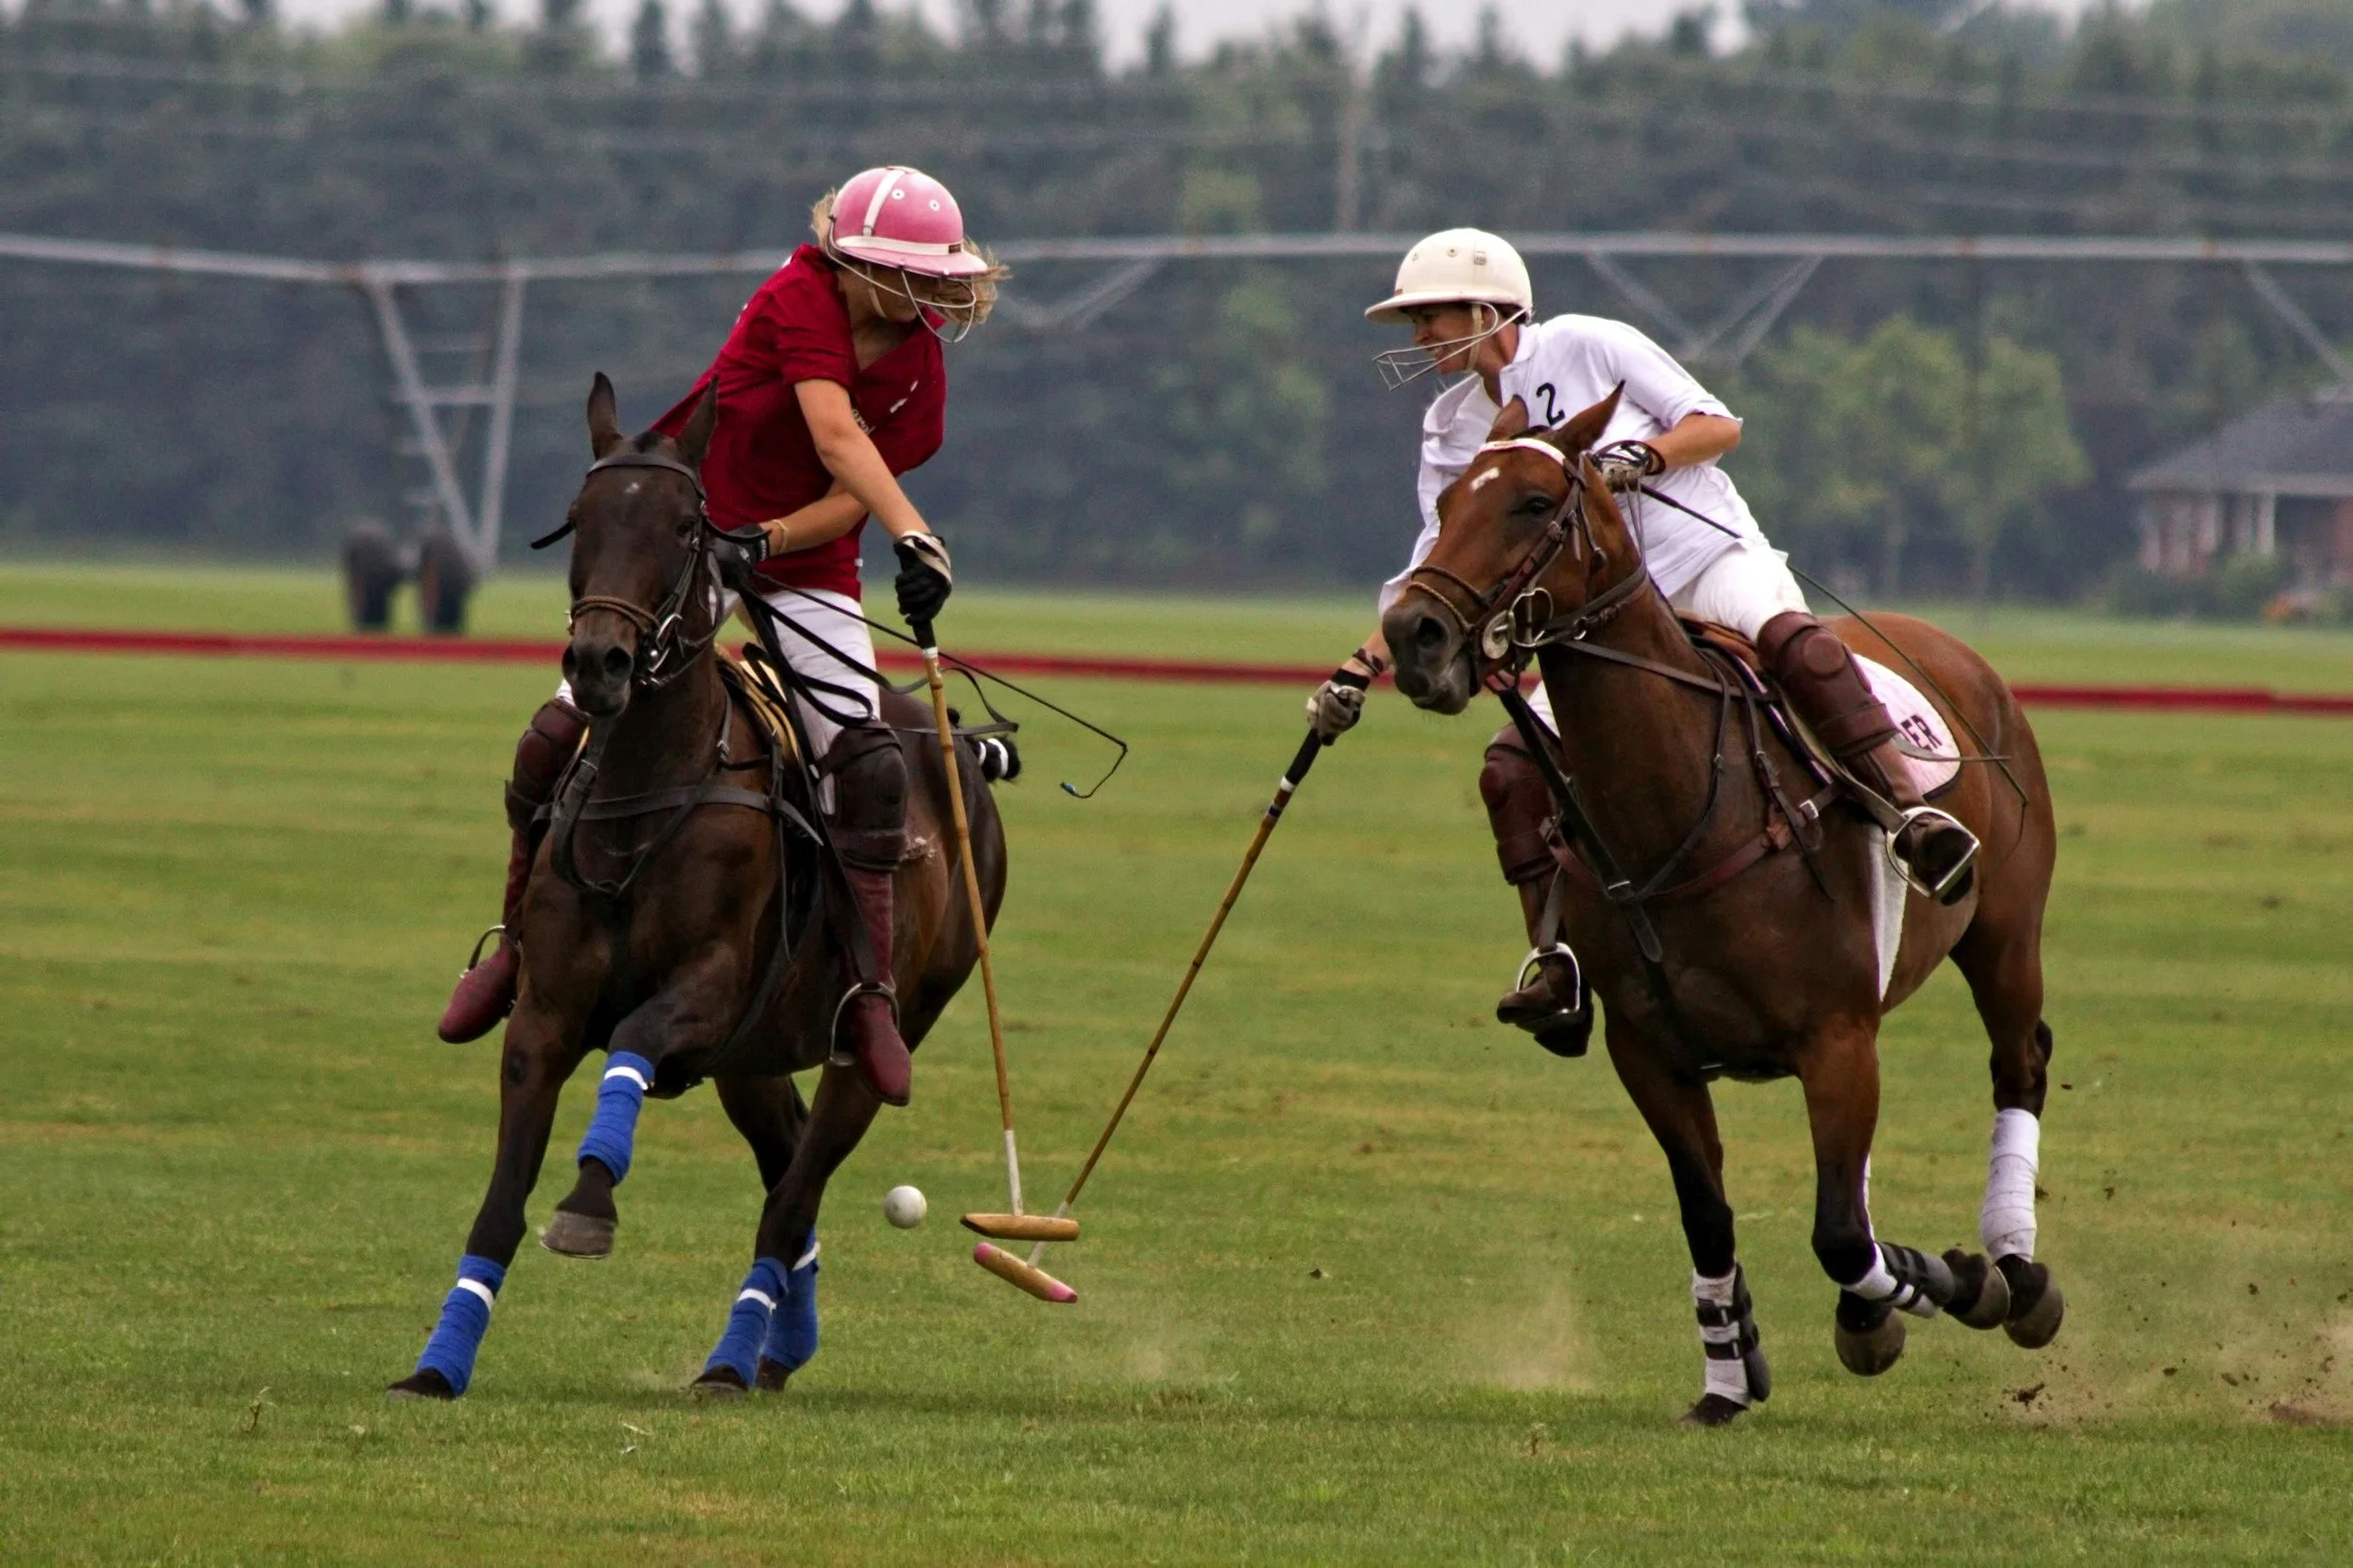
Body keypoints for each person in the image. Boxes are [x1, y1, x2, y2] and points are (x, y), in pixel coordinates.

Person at [1308, 228, 1978, 1053]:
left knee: (1797, 646)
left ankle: (1911, 816)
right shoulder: (1451, 428)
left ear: (1486, 310)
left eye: (1430, 318)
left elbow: (1716, 425)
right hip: (1597, 617)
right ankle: (1558, 960)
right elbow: (1437, 569)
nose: (1418, 338)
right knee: (1512, 770)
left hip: (1701, 562)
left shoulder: (1591, 344)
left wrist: (1643, 457)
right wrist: (1357, 668)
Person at [436, 165, 1003, 1110]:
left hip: (797, 558)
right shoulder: (798, 297)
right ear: (850, 261)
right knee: (555, 735)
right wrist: (913, 533)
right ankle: (514, 951)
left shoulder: (920, 373)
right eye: (896, 273)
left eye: (928, 278)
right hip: (687, 536)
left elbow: (840, 494)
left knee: (864, 764)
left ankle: (867, 994)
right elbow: (832, 434)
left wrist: (780, 542)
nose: (916, 295)